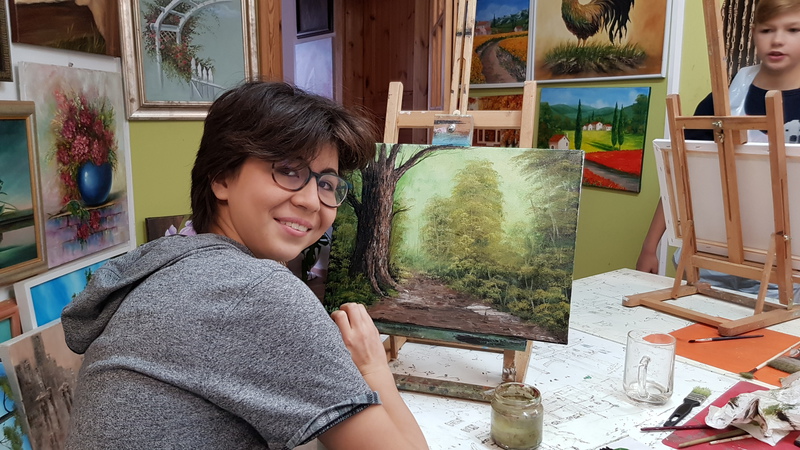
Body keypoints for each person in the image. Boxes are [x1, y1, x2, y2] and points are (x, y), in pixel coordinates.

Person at [61, 81, 429, 450]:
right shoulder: (256, 292)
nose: (311, 201)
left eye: (328, 184)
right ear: (221, 177)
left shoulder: (168, 263)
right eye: (289, 170)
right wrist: (372, 366)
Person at [637, 0, 800, 274]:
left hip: (787, 272)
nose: (778, 40)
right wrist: (649, 247)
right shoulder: (723, 100)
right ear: (753, 33)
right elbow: (681, 172)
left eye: (793, 29)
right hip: (710, 260)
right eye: (767, 30)